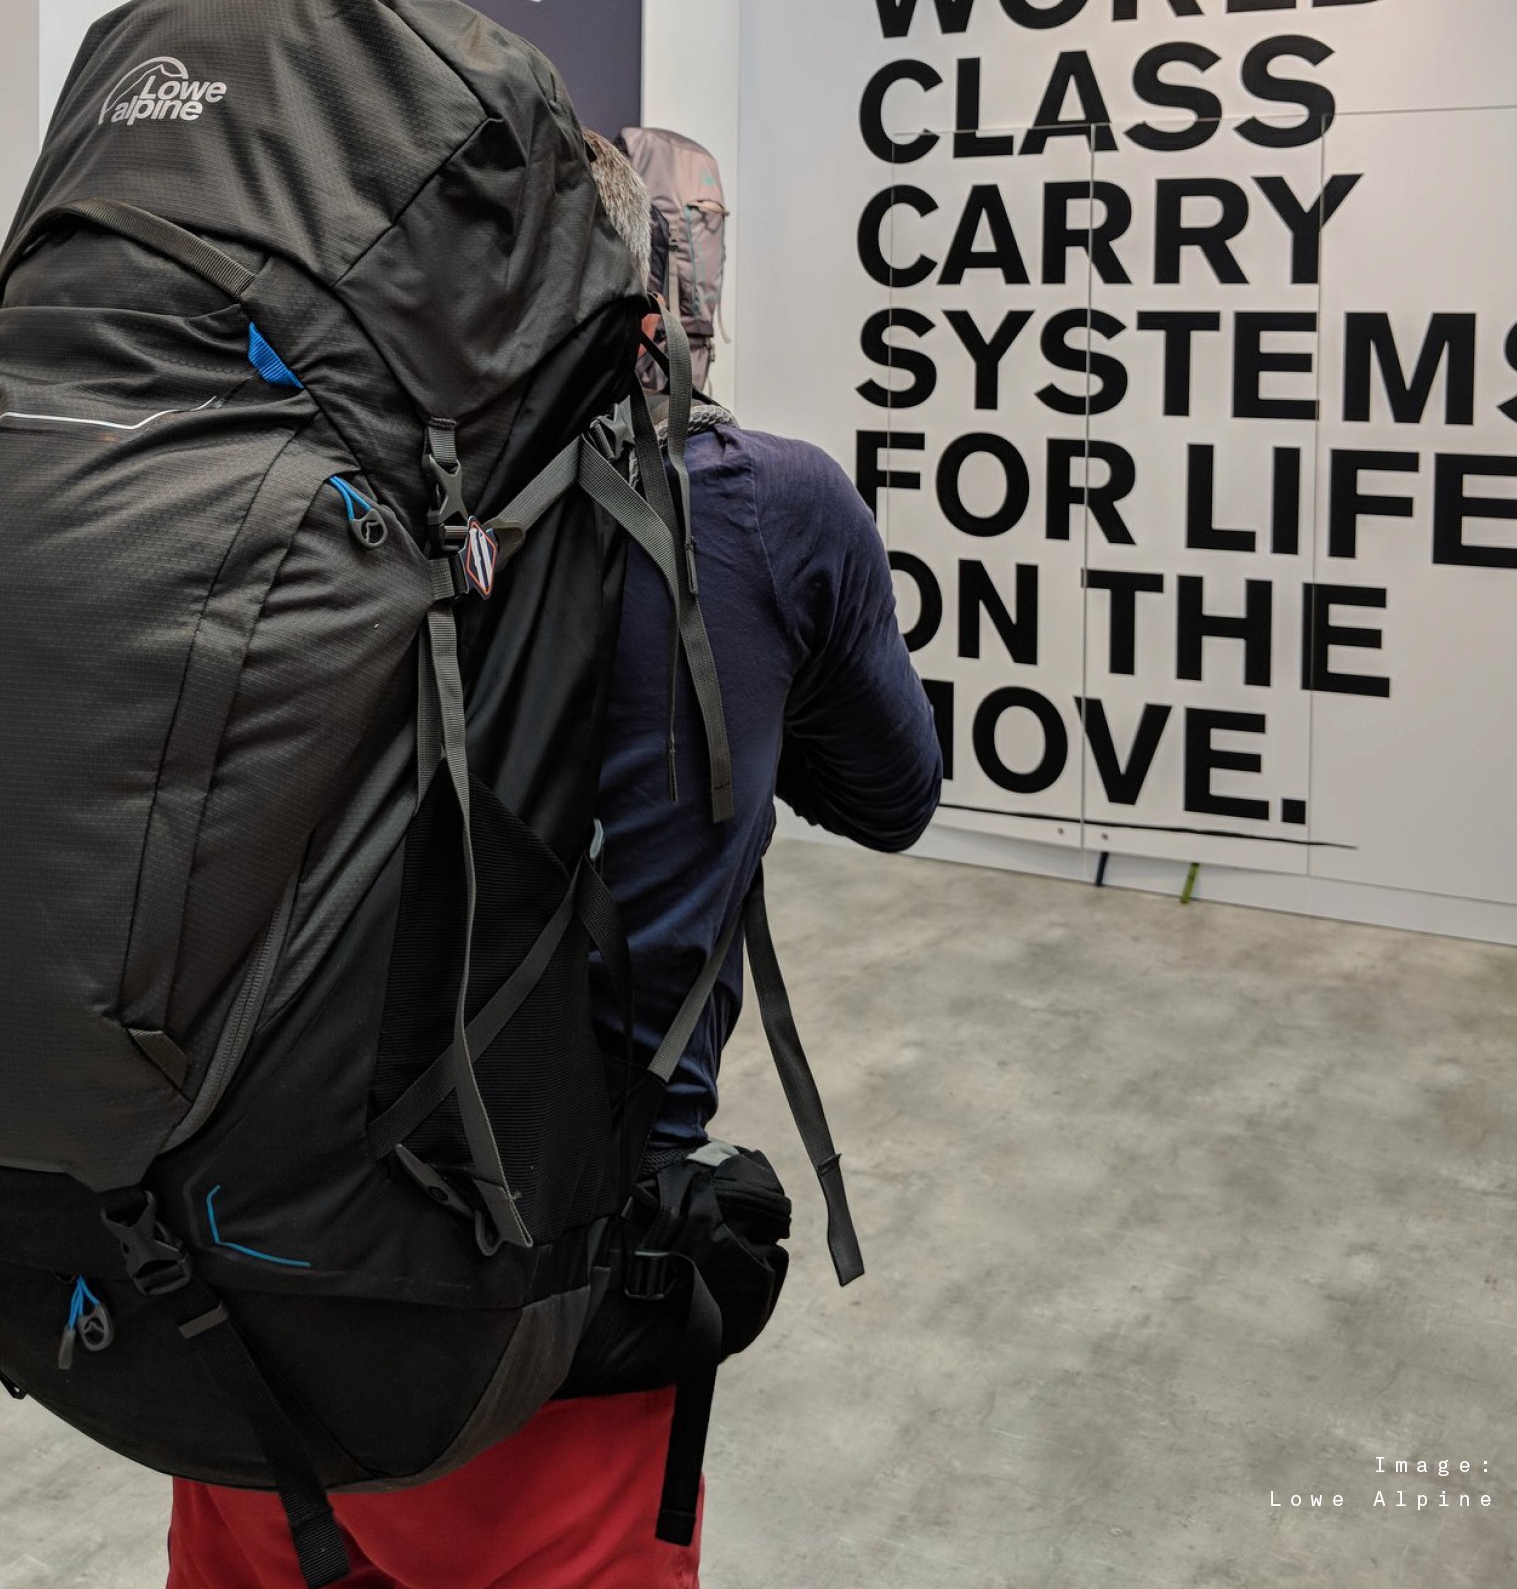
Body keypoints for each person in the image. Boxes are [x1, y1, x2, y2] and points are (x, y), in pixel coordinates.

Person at [168, 133, 943, 1589]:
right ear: (686, 282)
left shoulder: (312, 488)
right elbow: (899, 797)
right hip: (556, 1303)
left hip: (250, 1267)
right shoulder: (775, 510)